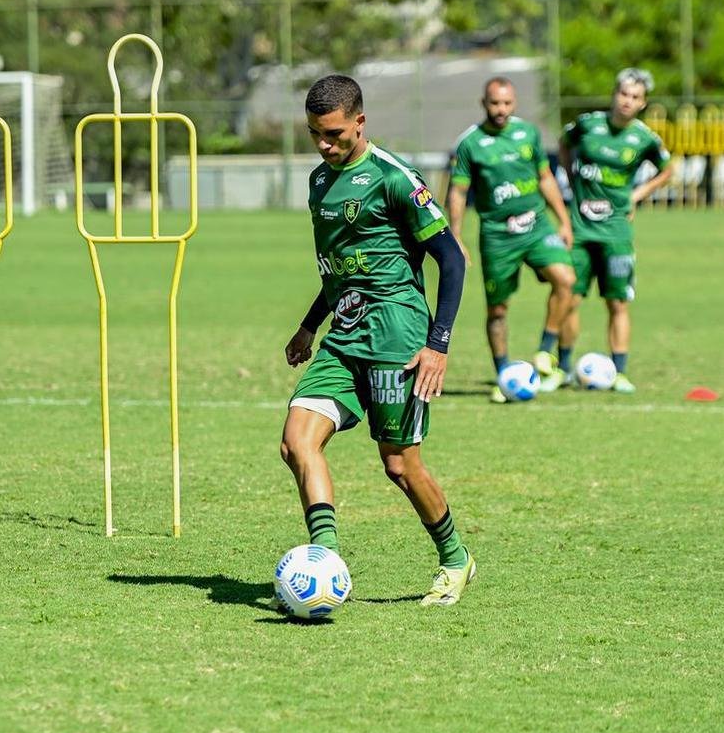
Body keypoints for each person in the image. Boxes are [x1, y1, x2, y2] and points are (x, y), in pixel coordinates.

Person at [278, 74, 475, 608]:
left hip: (398, 337)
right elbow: (340, 270)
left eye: (335, 133)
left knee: (400, 464)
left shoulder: (394, 178)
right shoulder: (320, 182)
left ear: (360, 122)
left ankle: (456, 558)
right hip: (344, 336)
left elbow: (453, 259)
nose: (324, 144)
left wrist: (438, 344)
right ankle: (324, 561)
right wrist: (309, 324)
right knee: (297, 441)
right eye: (315, 133)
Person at [447, 77, 575, 403]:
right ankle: (504, 374)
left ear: (514, 103)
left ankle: (546, 350)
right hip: (497, 237)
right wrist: (456, 237)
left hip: (536, 227)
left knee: (566, 280)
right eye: (494, 104)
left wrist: (563, 220)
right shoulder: (470, 144)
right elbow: (458, 191)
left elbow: (545, 178)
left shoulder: (528, 134)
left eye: (506, 103)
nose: (501, 110)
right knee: (498, 310)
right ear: (484, 103)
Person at [557, 68, 673, 392]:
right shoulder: (587, 125)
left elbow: (667, 170)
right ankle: (563, 369)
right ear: (614, 94)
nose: (627, 101)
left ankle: (620, 371)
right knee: (570, 298)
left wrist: (636, 195)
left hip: (616, 233)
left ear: (642, 103)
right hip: (579, 229)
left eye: (635, 97)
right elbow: (563, 144)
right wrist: (569, 175)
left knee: (618, 303)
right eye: (623, 94)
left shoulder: (645, 138)